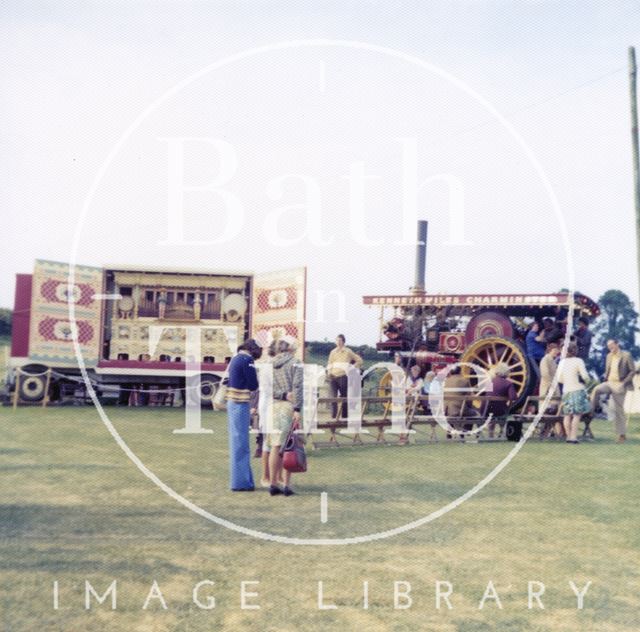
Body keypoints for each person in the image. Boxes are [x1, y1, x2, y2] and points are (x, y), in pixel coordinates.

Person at [267, 336, 303, 497]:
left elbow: (266, 389)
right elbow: (297, 387)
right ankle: (287, 484)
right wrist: (297, 409)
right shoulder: (296, 362)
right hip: (289, 407)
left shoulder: (270, 364)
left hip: (273, 406)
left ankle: (273, 483)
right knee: (290, 445)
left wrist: (280, 394)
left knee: (275, 446)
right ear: (290, 348)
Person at [226, 338, 262, 491]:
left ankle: (243, 481)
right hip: (241, 404)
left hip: (232, 403)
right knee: (241, 444)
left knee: (237, 442)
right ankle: (241, 482)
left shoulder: (235, 359)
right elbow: (254, 385)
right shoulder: (247, 360)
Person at [590, 339, 636, 443]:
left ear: (617, 344)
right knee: (596, 389)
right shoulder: (608, 356)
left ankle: (621, 435)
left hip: (620, 384)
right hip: (609, 382)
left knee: (618, 410)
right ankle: (592, 411)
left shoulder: (626, 355)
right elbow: (608, 370)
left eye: (612, 346)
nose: (610, 348)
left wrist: (624, 383)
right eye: (608, 347)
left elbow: (632, 371)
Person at [556, 342, 590, 443]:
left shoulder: (562, 362)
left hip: (566, 391)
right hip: (577, 390)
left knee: (567, 415)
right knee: (577, 415)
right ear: (575, 351)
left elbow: (559, 379)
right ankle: (573, 437)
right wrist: (587, 382)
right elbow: (585, 376)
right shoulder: (578, 361)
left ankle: (568, 436)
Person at [327, 334, 363, 419]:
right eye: (337, 340)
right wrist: (329, 372)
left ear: (343, 342)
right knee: (333, 398)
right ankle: (333, 417)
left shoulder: (348, 351)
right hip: (333, 376)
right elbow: (329, 363)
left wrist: (351, 367)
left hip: (343, 376)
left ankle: (344, 417)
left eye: (340, 340)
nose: (338, 342)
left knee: (344, 397)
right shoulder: (332, 352)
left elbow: (359, 361)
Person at [486, 363, 517, 438]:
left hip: (488, 409)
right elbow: (513, 397)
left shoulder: (489, 382)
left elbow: (487, 394)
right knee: (504, 412)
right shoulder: (508, 383)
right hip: (501, 410)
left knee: (492, 415)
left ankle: (491, 435)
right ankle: (501, 432)